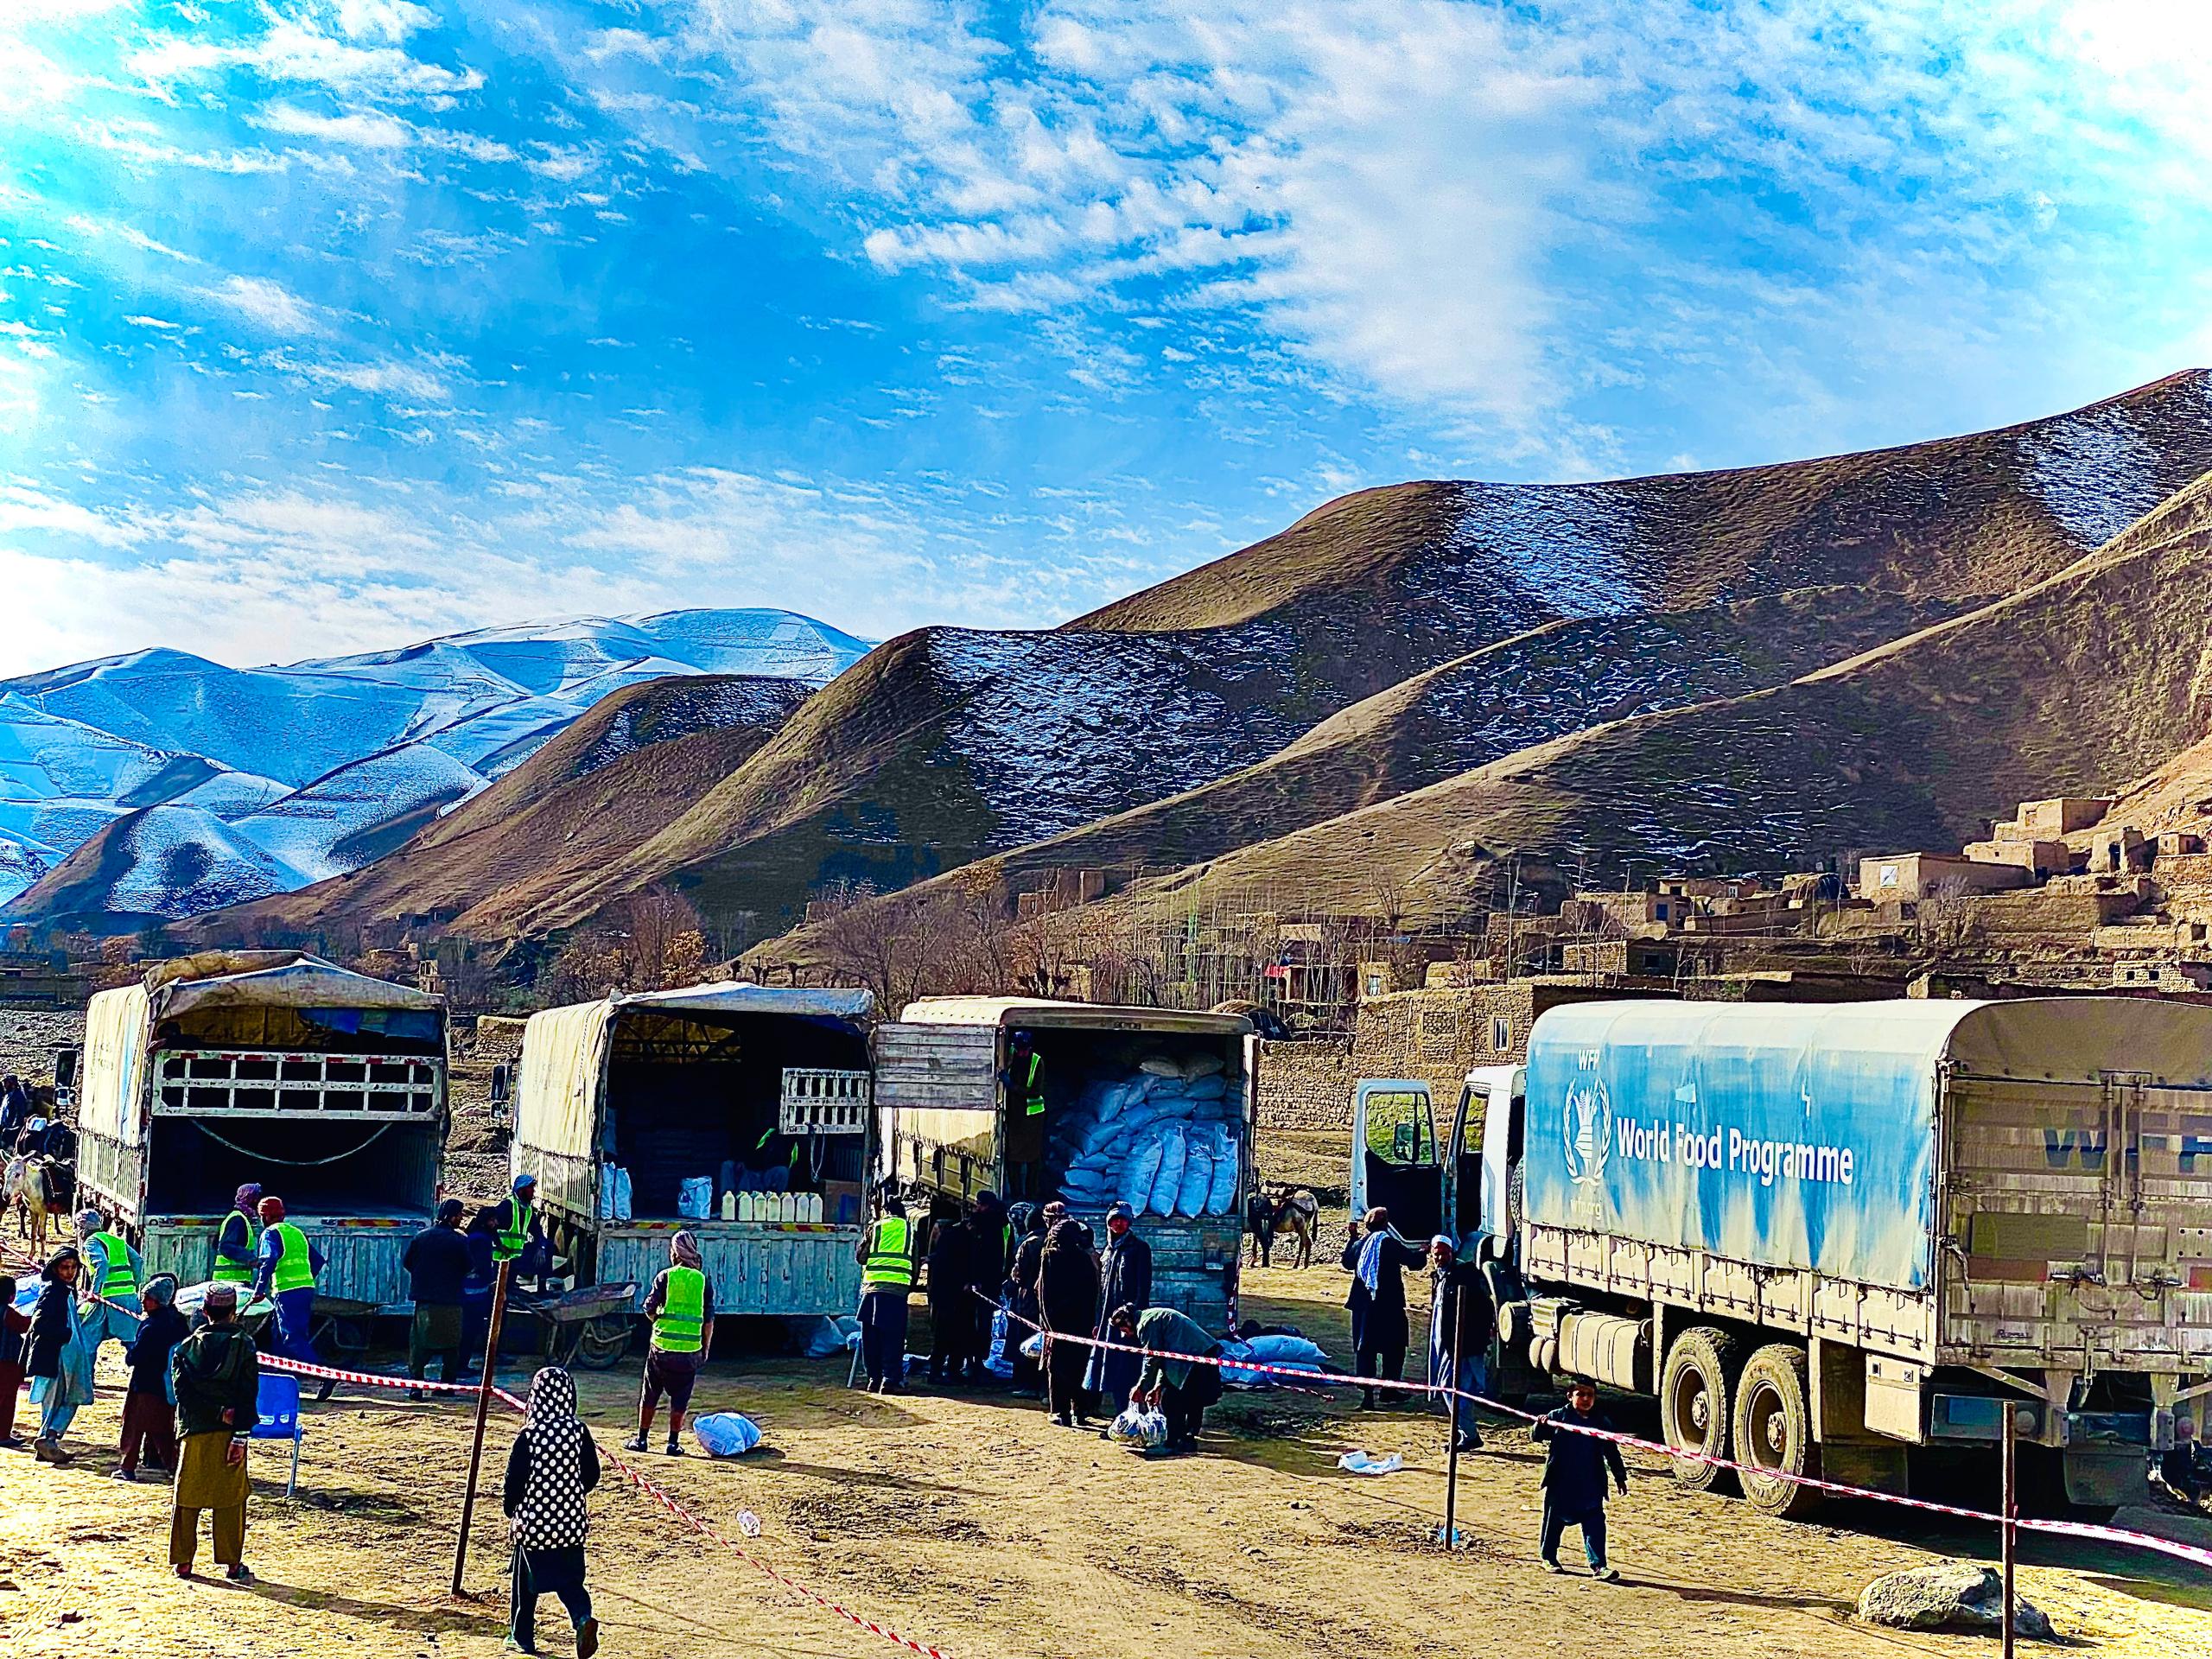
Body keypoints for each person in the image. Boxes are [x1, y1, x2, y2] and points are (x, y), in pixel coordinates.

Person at [503, 1366, 603, 1658]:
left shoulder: (529, 1436)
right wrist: (570, 1494)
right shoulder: (579, 1431)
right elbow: (592, 1474)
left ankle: (521, 1638)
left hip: (534, 1527)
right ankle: (583, 1619)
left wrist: (512, 1511)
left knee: (525, 1587)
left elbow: (514, 1481)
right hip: (571, 1525)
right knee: (571, 1582)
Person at [169, 1281, 259, 1583]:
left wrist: (213, 1413)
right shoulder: (244, 1344)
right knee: (231, 1500)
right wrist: (239, 1435)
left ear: (205, 1311)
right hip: (230, 1432)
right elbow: (248, 1393)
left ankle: (183, 1562)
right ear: (233, 1312)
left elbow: (183, 1394)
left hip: (194, 1431)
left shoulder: (184, 1349)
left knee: (187, 1497)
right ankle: (233, 1565)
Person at [1533, 1378, 1629, 1580]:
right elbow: (1537, 1436)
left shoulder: (1601, 1422)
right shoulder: (1558, 1417)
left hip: (1591, 1483)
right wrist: (1540, 1424)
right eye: (1580, 1394)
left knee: (1595, 1523)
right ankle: (1548, 1557)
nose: (1586, 1399)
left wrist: (1620, 1477)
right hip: (1561, 1482)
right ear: (1570, 1396)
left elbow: (1612, 1451)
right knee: (1553, 1522)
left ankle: (1599, 1566)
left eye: (1590, 1395)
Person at [628, 1230, 713, 1453]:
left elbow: (648, 1308)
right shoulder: (703, 1281)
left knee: (650, 1393)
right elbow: (708, 1320)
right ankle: (673, 1443)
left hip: (661, 1350)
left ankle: (642, 1440)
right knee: (680, 1398)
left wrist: (658, 1321)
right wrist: (705, 1349)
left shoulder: (665, 1277)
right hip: (689, 1353)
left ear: (675, 1253)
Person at [251, 1195, 334, 1401]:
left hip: (288, 1291)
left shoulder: (270, 1233)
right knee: (278, 1337)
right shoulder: (296, 1233)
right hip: (303, 1290)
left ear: (266, 1217)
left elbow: (269, 1258)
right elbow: (317, 1260)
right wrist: (305, 1280)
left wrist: (259, 1288)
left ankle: (325, 1375)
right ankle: (278, 1382)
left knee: (292, 1338)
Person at [1339, 1208, 1424, 1410]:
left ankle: (1368, 1397)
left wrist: (1352, 1238)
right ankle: (1388, 1390)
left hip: (1362, 1306)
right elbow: (1414, 1262)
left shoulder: (1360, 1245)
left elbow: (1347, 1262)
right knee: (1394, 1348)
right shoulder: (1389, 1244)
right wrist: (1423, 1251)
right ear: (1386, 1224)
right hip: (1388, 1306)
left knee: (1365, 1350)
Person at [1114, 1303, 1224, 1455]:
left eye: (1123, 1329)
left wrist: (1141, 1387)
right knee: (1193, 1399)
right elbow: (1163, 1357)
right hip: (1203, 1353)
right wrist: (1157, 1386)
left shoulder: (1145, 1325)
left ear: (1128, 1322)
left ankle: (1172, 1443)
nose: (1126, 1334)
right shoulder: (1152, 1316)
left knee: (1171, 1400)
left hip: (1192, 1357)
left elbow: (1152, 1358)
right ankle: (1188, 1440)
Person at [1426, 1236, 1496, 1452]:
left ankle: (1469, 1435)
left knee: (1453, 1389)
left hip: (1461, 1344)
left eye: (1444, 1253)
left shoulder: (1465, 1275)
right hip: (1443, 1341)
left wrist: (1476, 1338)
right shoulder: (1439, 1276)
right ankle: (1460, 1434)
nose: (1439, 1257)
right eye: (1436, 1253)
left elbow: (1483, 1307)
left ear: (1452, 1252)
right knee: (1451, 1388)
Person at [26, 1244, 92, 1464]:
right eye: (65, 1267)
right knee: (56, 1402)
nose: (70, 1272)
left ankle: (47, 1443)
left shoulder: (65, 1291)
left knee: (68, 1399)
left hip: (65, 1359)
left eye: (74, 1267)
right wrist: (64, 1335)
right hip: (55, 1358)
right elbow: (40, 1324)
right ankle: (48, 1439)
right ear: (56, 1269)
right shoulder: (54, 1292)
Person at [116, 1274, 187, 1481]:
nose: (143, 1302)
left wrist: (130, 1352)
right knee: (164, 1429)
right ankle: (175, 1468)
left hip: (145, 1384)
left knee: (134, 1428)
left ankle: (128, 1467)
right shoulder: (178, 1321)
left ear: (157, 1300)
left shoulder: (151, 1327)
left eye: (147, 1297)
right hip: (168, 1385)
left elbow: (137, 1356)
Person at [1086, 1202, 1152, 1422]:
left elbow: (1143, 1289)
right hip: (1106, 1319)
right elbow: (1100, 1290)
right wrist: (1097, 1321)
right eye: (1114, 1219)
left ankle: (1125, 1412)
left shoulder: (1139, 1249)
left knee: (1126, 1367)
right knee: (1106, 1365)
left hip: (1126, 1322)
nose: (1119, 1223)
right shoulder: (1107, 1251)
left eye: (1123, 1219)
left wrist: (1134, 1319)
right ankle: (1104, 1409)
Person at [1038, 1217, 1102, 1427]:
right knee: (1079, 1367)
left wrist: (1048, 1326)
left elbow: (1044, 1294)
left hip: (1059, 1324)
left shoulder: (1051, 1257)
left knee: (1057, 1368)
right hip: (1081, 1323)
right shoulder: (1084, 1258)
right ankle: (1080, 1411)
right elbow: (1094, 1292)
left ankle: (1060, 1411)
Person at [404, 1198, 472, 1392]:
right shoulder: (460, 1240)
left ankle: (416, 1387)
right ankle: (447, 1386)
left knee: (419, 1345)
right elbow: (468, 1267)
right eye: (459, 1215)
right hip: (451, 1301)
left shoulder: (421, 1237)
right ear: (452, 1217)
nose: (460, 1219)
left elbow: (408, 1263)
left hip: (425, 1301)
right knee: (451, 1346)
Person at [855, 1192, 915, 1395]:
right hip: (896, 1291)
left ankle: (873, 1379)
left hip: (872, 1290)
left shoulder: (876, 1228)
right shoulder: (909, 1229)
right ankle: (890, 1380)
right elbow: (914, 1260)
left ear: (885, 1210)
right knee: (893, 1337)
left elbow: (861, 1257)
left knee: (870, 1337)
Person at [75, 1205, 144, 1361]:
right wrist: (134, 1286)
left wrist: (95, 1292)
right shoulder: (115, 1240)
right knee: (132, 1342)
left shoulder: (91, 1242)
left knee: (88, 1339)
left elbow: (102, 1264)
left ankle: (86, 1380)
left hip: (105, 1299)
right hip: (128, 1298)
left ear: (82, 1229)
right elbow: (138, 1261)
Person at [924, 1202, 975, 1383]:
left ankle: (940, 1371)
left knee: (943, 1335)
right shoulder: (964, 1241)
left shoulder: (949, 1240)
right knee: (954, 1336)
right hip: (954, 1297)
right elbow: (963, 1267)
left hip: (943, 1296)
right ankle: (949, 1371)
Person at [1006, 1202, 1052, 1397]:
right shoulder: (1051, 1240)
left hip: (1027, 1303)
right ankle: (1042, 1386)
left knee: (1027, 1345)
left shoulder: (1029, 1243)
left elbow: (1018, 1275)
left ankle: (1029, 1385)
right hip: (1046, 1303)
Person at [461, 1205, 500, 1378]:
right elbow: (483, 1265)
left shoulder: (477, 1235)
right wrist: (491, 1282)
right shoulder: (481, 1240)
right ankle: (461, 1365)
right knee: (470, 1329)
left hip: (471, 1289)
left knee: (469, 1329)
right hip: (475, 1292)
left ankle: (462, 1363)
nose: (496, 1223)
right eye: (493, 1220)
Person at [489, 1173, 551, 1284]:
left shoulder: (528, 1210)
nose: (533, 1192)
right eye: (530, 1188)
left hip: (516, 1255)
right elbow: (490, 1227)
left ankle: (542, 1289)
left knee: (548, 1246)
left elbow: (538, 1232)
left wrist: (541, 1247)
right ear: (521, 1191)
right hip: (501, 1257)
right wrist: (500, 1245)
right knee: (502, 1287)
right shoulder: (507, 1206)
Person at [210, 1183, 263, 1290]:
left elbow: (217, 1244)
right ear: (250, 1199)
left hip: (231, 1281)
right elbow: (225, 1246)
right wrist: (251, 1259)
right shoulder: (237, 1220)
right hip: (231, 1282)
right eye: (256, 1198)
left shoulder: (236, 1217)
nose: (258, 1202)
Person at [0, 1270, 29, 1449]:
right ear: (11, 1296)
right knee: (6, 1401)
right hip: (7, 1363)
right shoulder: (8, 1314)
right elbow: (24, 1325)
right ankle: (2, 1435)